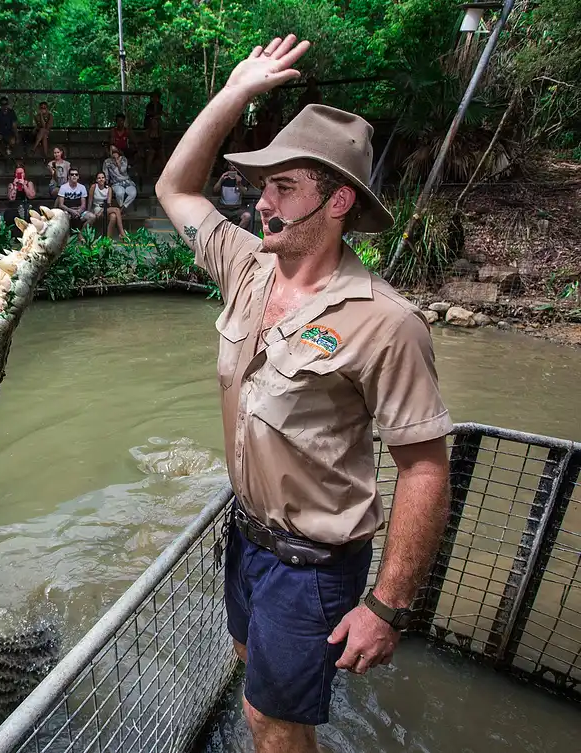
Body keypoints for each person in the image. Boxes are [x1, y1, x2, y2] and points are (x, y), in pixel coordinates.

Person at [155, 35, 453, 753]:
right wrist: (235, 93)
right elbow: (176, 189)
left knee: (272, 720)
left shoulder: (386, 322)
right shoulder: (247, 267)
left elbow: (424, 466)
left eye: (283, 187)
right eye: (264, 186)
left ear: (339, 197)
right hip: (247, 536)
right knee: (250, 667)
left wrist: (387, 605)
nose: (263, 204)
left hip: (314, 562)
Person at [213, 165, 253, 230]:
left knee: (247, 216)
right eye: (231, 165)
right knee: (213, 216)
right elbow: (215, 190)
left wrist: (239, 183)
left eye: (235, 166)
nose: (233, 168)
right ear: (228, 167)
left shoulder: (241, 179)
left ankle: (235, 233)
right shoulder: (223, 178)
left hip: (237, 209)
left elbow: (245, 192)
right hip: (223, 208)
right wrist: (221, 179)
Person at [103, 144, 137, 212]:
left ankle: (122, 209)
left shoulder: (123, 159)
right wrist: (106, 184)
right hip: (116, 183)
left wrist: (118, 162)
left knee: (133, 193)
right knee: (120, 193)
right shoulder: (107, 162)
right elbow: (105, 174)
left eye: (115, 150)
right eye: (112, 151)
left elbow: (123, 171)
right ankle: (121, 207)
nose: (114, 152)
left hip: (127, 181)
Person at [90, 171, 123, 240]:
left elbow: (108, 204)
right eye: (99, 178)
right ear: (96, 180)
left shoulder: (109, 188)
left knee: (113, 216)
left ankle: (108, 239)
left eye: (103, 177)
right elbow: (90, 201)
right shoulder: (93, 187)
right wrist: (89, 212)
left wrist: (101, 211)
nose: (101, 179)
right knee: (117, 210)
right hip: (96, 208)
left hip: (105, 208)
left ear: (105, 179)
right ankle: (122, 234)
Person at [3, 164, 36, 228]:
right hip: (15, 207)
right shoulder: (11, 185)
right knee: (8, 214)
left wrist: (24, 185)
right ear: (15, 174)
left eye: (21, 173)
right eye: (18, 173)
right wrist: (15, 187)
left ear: (24, 174)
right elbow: (11, 199)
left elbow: (31, 196)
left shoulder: (29, 183)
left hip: (27, 206)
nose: (20, 174)